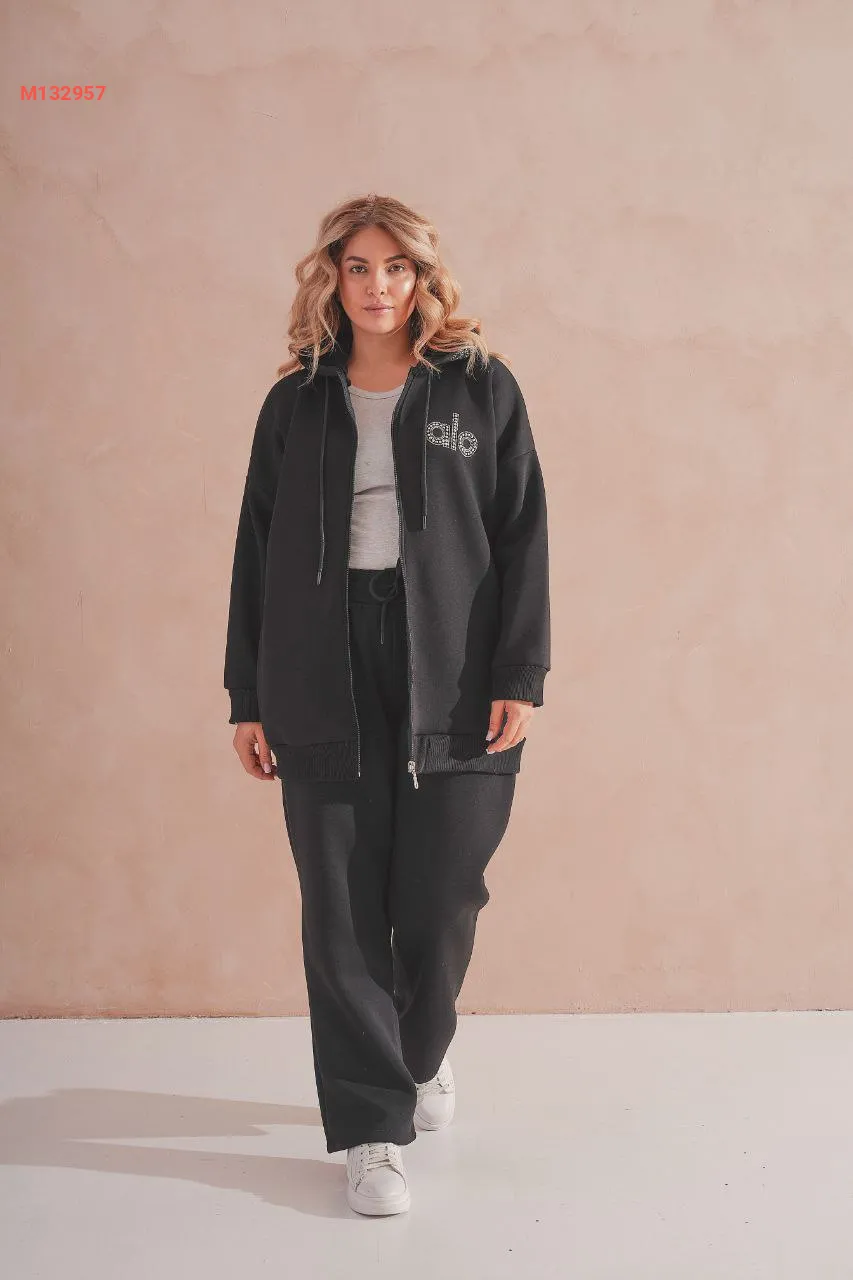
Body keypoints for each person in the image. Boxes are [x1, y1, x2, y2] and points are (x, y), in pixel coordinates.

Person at [224, 193, 550, 1216]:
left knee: (442, 896)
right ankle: (372, 1127)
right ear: (332, 276)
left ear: (421, 276)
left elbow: (522, 531)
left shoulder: (479, 387)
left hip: (451, 660)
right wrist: (247, 692)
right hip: (318, 662)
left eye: (395, 267)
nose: (377, 286)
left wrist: (519, 672)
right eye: (358, 266)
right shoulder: (295, 402)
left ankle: (420, 1044)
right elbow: (255, 551)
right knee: (340, 905)